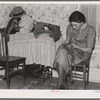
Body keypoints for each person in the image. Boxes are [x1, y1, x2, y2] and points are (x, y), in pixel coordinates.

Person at [53, 11, 96, 89]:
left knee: (62, 56)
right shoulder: (70, 26)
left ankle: (61, 85)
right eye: (72, 25)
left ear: (82, 22)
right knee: (61, 51)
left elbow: (89, 50)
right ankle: (62, 85)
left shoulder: (90, 30)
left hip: (83, 53)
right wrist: (65, 43)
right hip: (72, 50)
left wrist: (76, 47)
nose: (74, 27)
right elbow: (68, 40)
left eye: (76, 25)